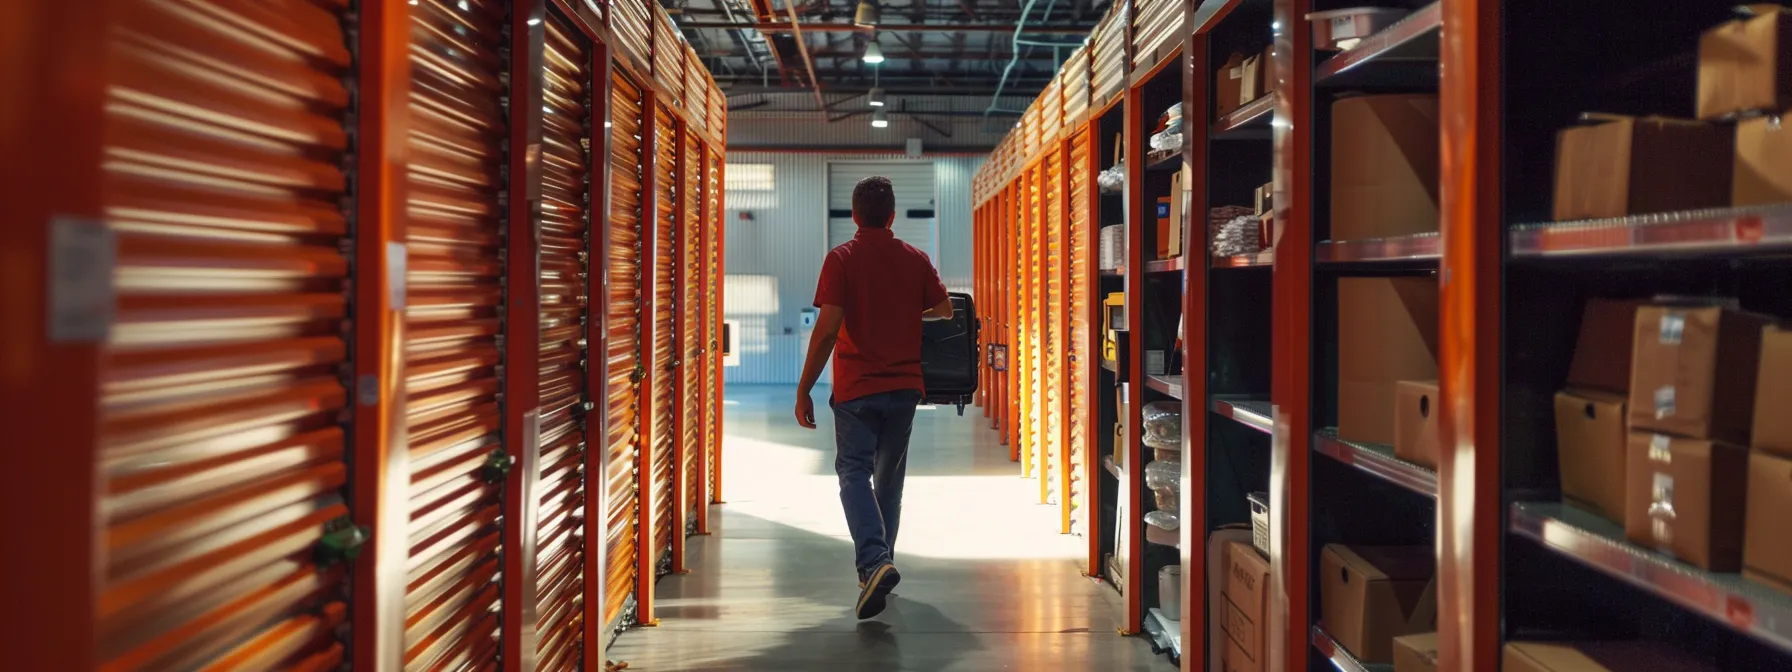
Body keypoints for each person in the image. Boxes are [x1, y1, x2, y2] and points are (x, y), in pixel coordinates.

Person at [795, 175, 955, 620]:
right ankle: (879, 569)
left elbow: (827, 329)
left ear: (853, 214)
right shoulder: (915, 258)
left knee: (852, 473)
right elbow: (944, 310)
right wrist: (904, 309)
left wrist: (805, 387)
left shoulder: (841, 259)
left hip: (857, 390)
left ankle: (873, 562)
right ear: (891, 216)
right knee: (888, 481)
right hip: (904, 389)